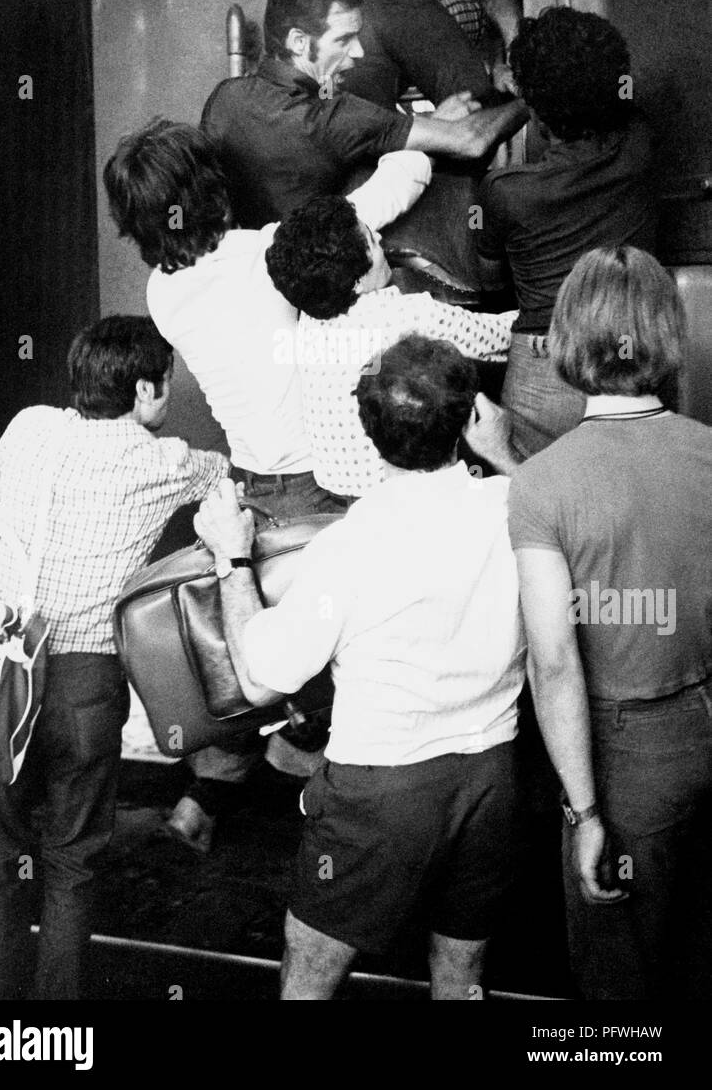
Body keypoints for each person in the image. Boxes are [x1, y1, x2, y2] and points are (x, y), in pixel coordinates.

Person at [103, 118, 434, 846]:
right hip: (320, 491)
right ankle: (307, 766)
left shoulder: (163, 293)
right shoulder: (264, 255)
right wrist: (413, 128)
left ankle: (201, 805)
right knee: (337, 657)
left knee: (246, 654)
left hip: (250, 489)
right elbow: (398, 183)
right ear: (206, 190)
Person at [193, 334, 526, 999]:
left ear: (370, 433)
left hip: (382, 790)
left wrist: (231, 557)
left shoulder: (349, 547)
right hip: (493, 774)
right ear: (471, 417)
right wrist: (503, 451)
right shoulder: (517, 508)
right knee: (461, 978)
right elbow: (555, 513)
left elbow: (259, 679)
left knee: (309, 977)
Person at [0, 316, 228, 999]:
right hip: (85, 682)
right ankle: (58, 1036)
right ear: (143, 389)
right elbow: (229, 485)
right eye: (165, 385)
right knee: (74, 862)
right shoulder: (165, 463)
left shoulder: (30, 427)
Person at [508, 246, 712, 999]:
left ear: (566, 338)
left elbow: (554, 662)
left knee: (619, 983)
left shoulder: (540, 486)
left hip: (626, 756)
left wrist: (585, 811)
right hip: (701, 716)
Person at [201, 0, 529, 227]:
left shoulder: (224, 99)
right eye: (343, 40)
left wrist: (427, 125)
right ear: (298, 42)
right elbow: (471, 141)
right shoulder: (335, 117)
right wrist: (532, 98)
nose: (358, 52)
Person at [476, 6, 658, 459]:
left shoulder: (504, 192)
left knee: (540, 509)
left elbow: (489, 282)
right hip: (628, 355)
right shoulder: (641, 146)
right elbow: (615, 102)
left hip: (545, 365)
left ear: (536, 110)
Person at [265, 194, 516, 498]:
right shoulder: (401, 315)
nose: (382, 237)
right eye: (372, 239)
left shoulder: (309, 318)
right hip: (395, 492)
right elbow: (499, 337)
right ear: (356, 281)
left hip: (334, 492)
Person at [344, 0, 521, 113]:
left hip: (376, 22)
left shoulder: (486, 33)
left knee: (369, 127)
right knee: (478, 112)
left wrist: (501, 67)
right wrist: (521, 66)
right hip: (402, 8)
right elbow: (497, 1)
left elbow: (496, 36)